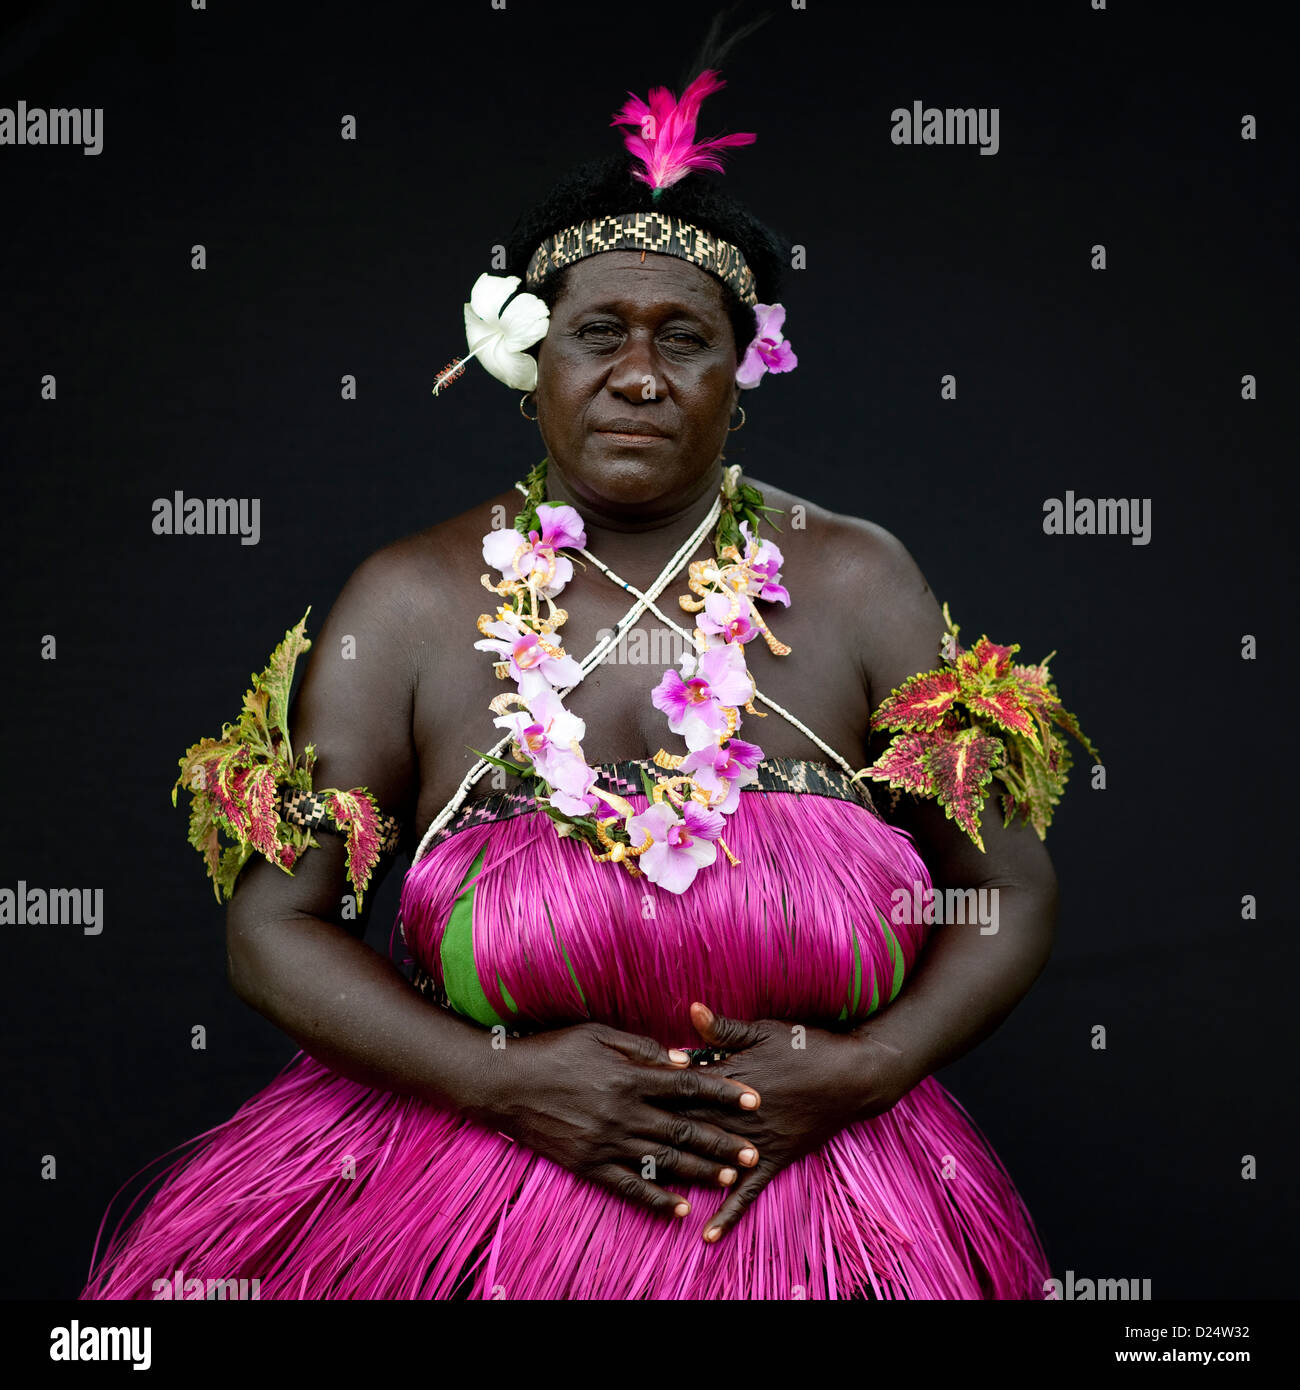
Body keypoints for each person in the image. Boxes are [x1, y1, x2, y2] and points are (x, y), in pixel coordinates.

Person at [81, 62, 1067, 1301]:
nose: (639, 376)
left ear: (739, 378)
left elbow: (1006, 892)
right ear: (529, 363)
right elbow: (276, 926)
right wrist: (497, 1078)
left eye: (686, 340)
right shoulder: (411, 601)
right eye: (598, 334)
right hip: (471, 1189)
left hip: (825, 1199)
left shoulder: (860, 582)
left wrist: (871, 1068)